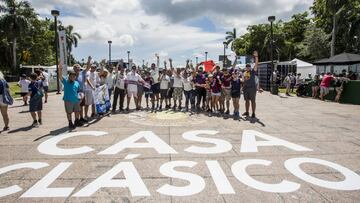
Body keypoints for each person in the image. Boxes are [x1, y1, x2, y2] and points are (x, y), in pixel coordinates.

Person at [58, 64, 82, 129]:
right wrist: (60, 69)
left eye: (74, 76)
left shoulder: (77, 83)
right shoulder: (65, 81)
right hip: (68, 100)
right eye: (71, 76)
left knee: (77, 111)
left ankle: (76, 121)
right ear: (69, 76)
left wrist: (80, 97)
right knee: (69, 112)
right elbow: (60, 77)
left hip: (76, 100)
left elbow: (79, 91)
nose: (73, 77)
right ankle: (70, 122)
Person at [74, 57, 91, 124]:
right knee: (77, 107)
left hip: (82, 92)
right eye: (76, 67)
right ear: (74, 69)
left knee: (81, 106)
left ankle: (81, 117)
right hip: (76, 93)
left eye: (78, 67)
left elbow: (88, 68)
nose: (77, 68)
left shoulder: (82, 73)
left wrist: (89, 60)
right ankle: (77, 119)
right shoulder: (73, 75)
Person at [242, 51, 259, 118]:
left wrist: (256, 57)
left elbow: (256, 64)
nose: (248, 67)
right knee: (246, 101)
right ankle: (247, 112)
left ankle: (253, 113)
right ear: (245, 67)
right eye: (247, 66)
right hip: (246, 88)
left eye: (249, 66)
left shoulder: (253, 71)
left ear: (250, 67)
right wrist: (242, 87)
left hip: (252, 88)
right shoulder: (244, 72)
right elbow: (243, 81)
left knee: (253, 101)